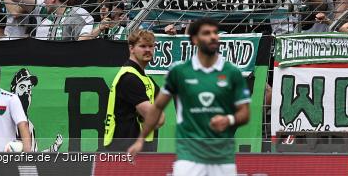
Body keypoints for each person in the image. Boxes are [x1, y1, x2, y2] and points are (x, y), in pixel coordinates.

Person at [128, 18, 251, 176]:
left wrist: (229, 120)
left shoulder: (232, 72)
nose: (212, 37)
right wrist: (140, 139)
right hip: (189, 155)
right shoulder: (179, 72)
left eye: (215, 33)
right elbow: (157, 108)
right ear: (194, 40)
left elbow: (244, 113)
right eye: (206, 33)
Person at [103, 29, 164, 152]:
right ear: (131, 49)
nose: (148, 50)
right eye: (142, 46)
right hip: (125, 147)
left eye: (151, 46)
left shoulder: (145, 79)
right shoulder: (130, 78)